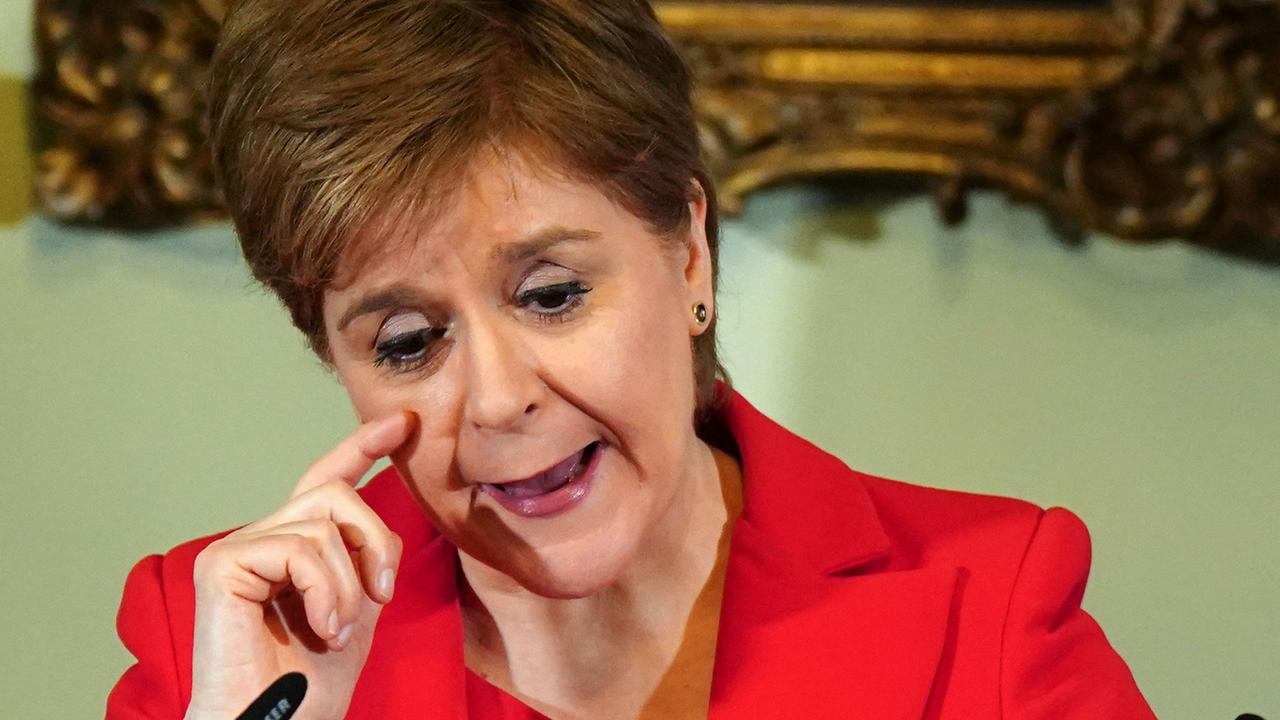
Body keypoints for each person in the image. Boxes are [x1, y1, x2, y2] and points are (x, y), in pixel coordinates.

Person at [106, 1, 1156, 718]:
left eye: (552, 295)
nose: (501, 399)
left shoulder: (989, 607)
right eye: (409, 342)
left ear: (687, 250)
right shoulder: (221, 644)